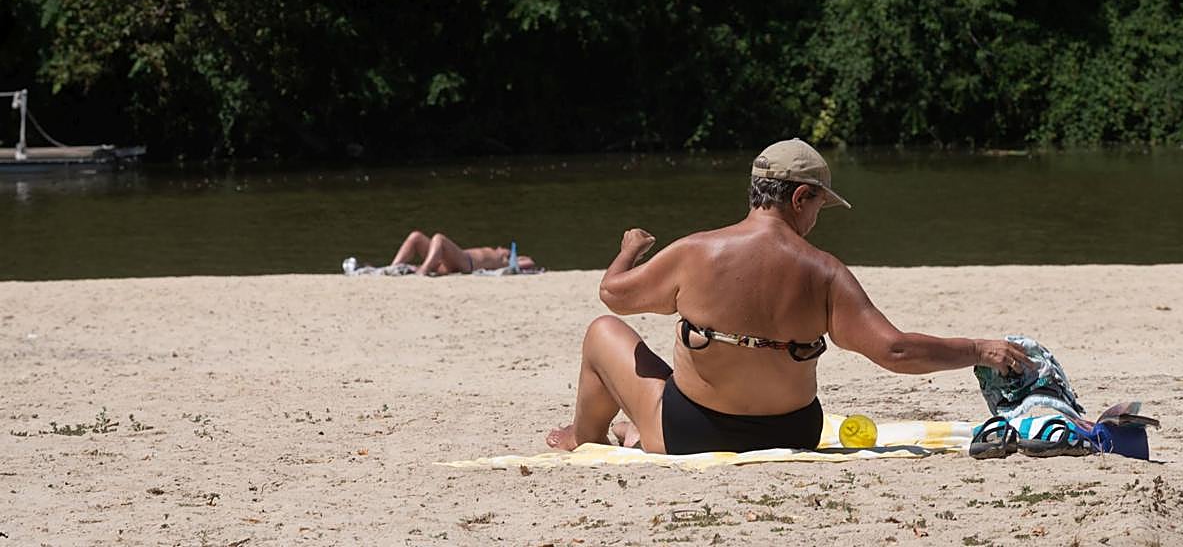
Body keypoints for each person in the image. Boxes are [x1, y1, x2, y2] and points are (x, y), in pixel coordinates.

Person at [546, 138, 1033, 455]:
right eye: (820, 204)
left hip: (692, 433)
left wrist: (628, 251)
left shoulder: (695, 252)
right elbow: (895, 351)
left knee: (602, 333)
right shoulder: (825, 271)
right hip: (793, 432)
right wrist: (978, 349)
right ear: (800, 198)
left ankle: (585, 436)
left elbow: (613, 295)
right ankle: (630, 432)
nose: (817, 218)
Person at [390, 230, 537, 276]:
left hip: (467, 263)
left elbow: (529, 263)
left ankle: (423, 270)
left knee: (439, 238)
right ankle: (392, 267)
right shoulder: (496, 252)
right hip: (447, 261)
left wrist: (513, 259)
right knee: (416, 236)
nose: (501, 247)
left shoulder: (505, 260)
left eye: (505, 248)